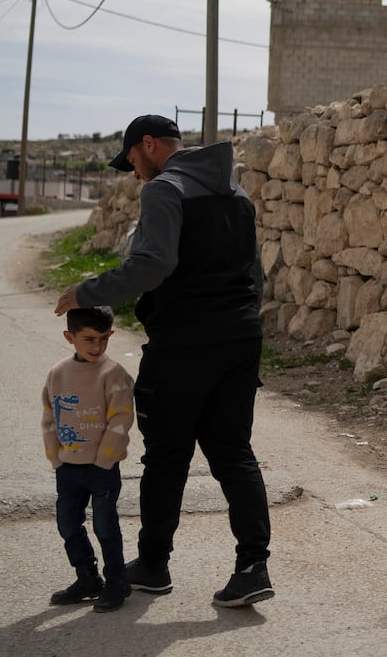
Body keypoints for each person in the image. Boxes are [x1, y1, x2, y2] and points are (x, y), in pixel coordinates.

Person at [55, 114, 274, 608]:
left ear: (149, 145)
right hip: (241, 337)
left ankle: (153, 563)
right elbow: (255, 273)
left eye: (132, 160)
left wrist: (85, 291)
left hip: (184, 344)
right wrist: (242, 325)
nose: (134, 173)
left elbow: (153, 265)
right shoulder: (236, 194)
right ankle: (253, 566)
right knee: (234, 453)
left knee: (167, 457)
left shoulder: (163, 190)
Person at [43, 304, 135, 612]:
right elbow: (49, 417)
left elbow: (121, 420)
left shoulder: (114, 374)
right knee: (68, 524)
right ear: (70, 337)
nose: (97, 347)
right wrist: (56, 459)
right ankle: (87, 578)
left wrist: (104, 461)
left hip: (102, 468)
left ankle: (117, 581)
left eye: (103, 339)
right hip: (68, 467)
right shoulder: (58, 374)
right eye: (88, 339)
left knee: (105, 527)